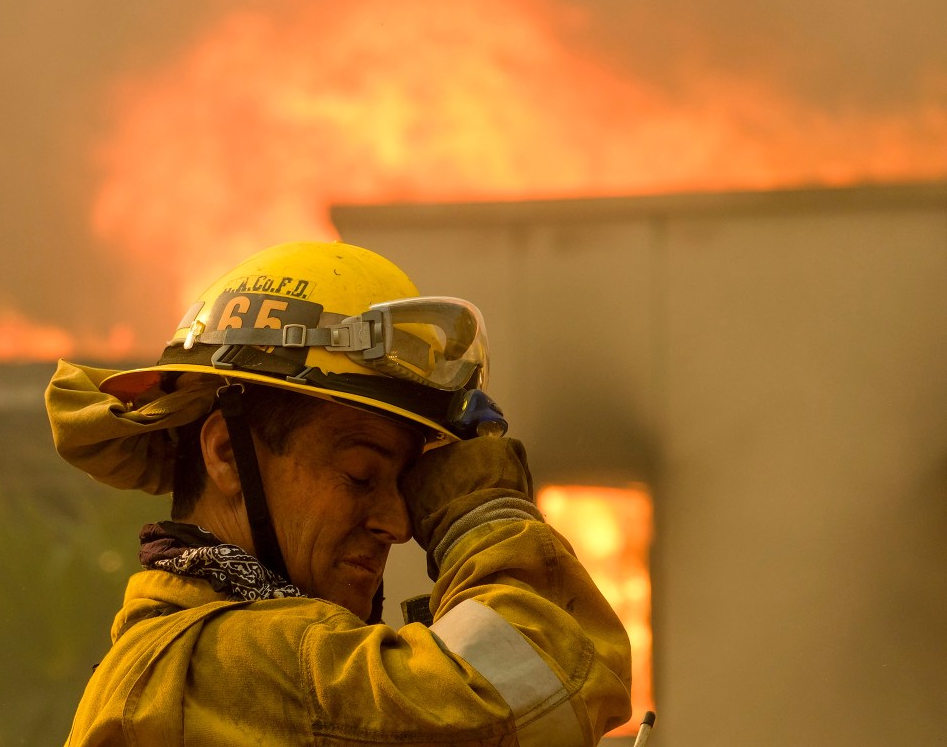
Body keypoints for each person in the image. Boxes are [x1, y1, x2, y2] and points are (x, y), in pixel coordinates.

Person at [45, 241, 632, 745]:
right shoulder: (225, 665)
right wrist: (484, 516)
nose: (398, 523)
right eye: (360, 475)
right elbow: (546, 687)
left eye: (405, 484)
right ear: (226, 453)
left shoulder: (207, 664)